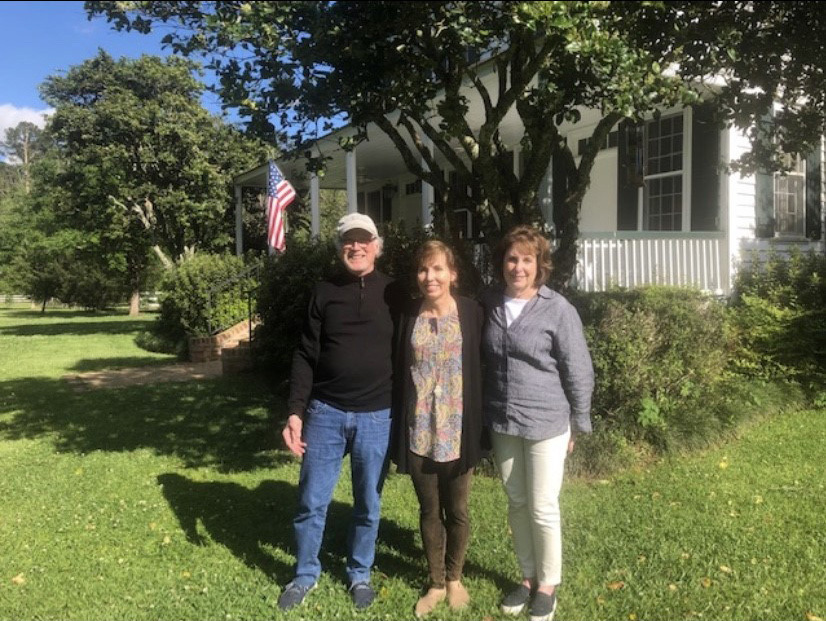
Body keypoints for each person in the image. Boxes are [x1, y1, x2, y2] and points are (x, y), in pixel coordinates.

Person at [278, 213, 399, 611]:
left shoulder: (396, 292)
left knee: (368, 503)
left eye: (364, 240)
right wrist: (296, 411)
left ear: (377, 246)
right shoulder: (323, 291)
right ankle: (305, 574)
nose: (356, 247)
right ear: (339, 247)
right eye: (349, 241)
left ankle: (359, 572)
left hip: (377, 416)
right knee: (312, 500)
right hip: (325, 413)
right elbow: (305, 354)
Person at [481, 225, 594, 621]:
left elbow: (578, 369)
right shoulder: (490, 304)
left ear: (539, 264)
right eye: (512, 258)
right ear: (503, 263)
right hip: (503, 421)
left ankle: (548, 585)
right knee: (516, 502)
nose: (519, 267)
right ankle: (527, 577)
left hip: (547, 422)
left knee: (543, 506)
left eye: (527, 259)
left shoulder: (558, 309)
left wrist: (578, 422)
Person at [391, 240, 486, 618]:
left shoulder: (472, 312)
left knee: (458, 511)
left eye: (438, 269)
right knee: (429, 510)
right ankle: (434, 582)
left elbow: (486, 365)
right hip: (420, 433)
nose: (430, 277)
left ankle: (455, 578)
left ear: (453, 274)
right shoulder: (407, 315)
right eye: (423, 270)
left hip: (459, 433)